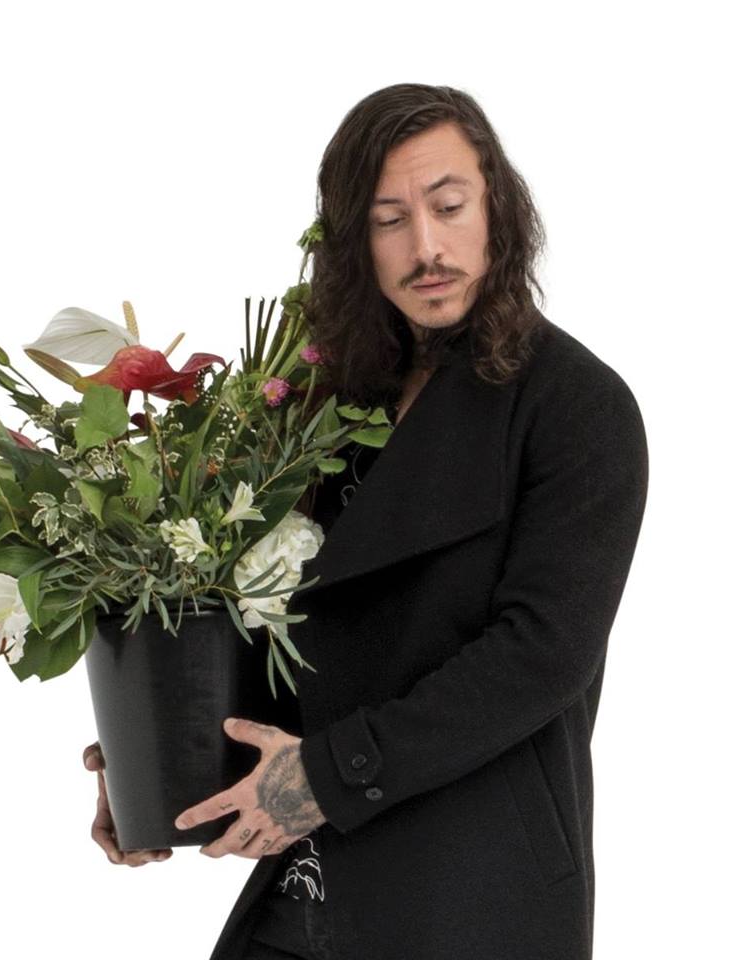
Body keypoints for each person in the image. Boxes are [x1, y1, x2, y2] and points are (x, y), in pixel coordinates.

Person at [83, 83, 649, 960]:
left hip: (470, 897)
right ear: (355, 244)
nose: (427, 248)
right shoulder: (333, 401)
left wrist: (325, 776)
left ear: (498, 209)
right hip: (308, 891)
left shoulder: (577, 406)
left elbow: (540, 656)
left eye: (449, 207)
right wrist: (164, 758)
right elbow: (296, 634)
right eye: (389, 221)